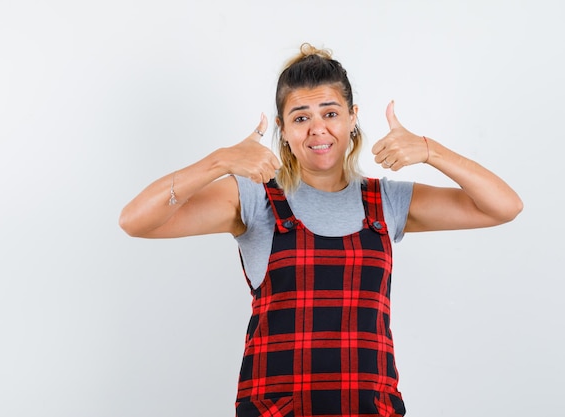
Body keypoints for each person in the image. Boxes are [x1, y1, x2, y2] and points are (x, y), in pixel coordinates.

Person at [119, 43, 523, 417]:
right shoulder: (255, 200)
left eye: (330, 113)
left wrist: (431, 150)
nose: (317, 129)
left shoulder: (387, 202)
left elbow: (505, 206)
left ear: (352, 118)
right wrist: (219, 161)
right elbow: (134, 221)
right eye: (301, 118)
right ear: (283, 128)